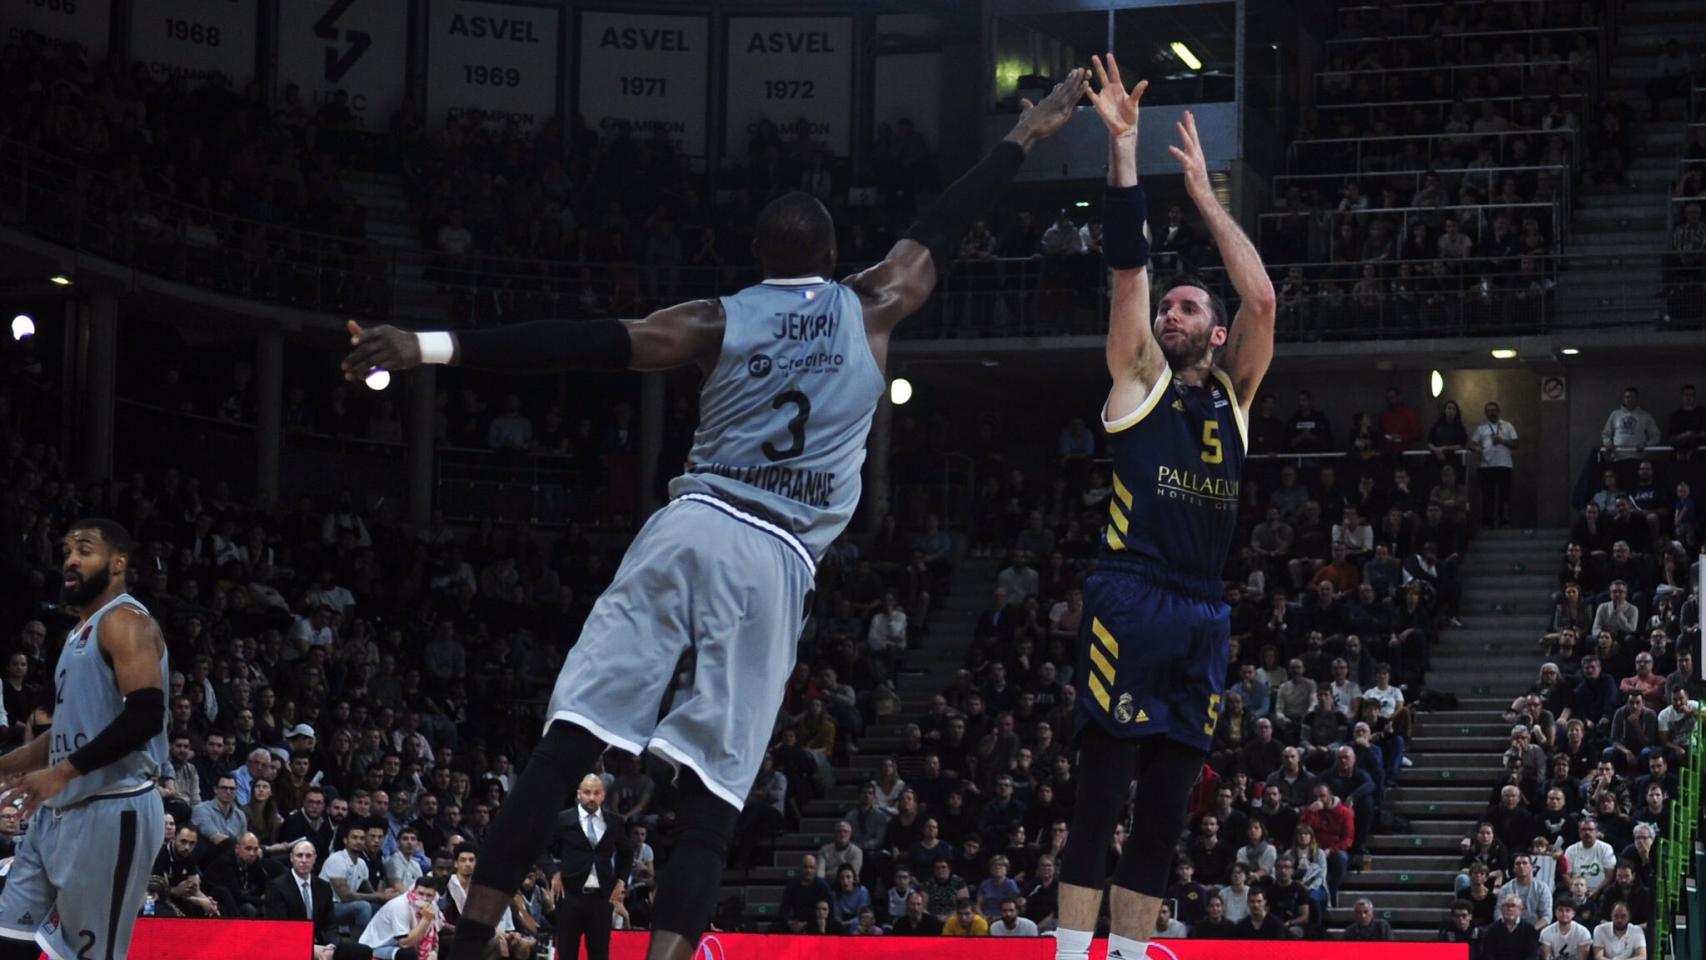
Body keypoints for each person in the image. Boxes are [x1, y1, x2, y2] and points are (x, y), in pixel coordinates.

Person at [341, 67, 1089, 960]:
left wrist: (430, 345)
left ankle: (466, 945)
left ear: (759, 256)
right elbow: (947, 222)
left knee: (570, 740)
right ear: (833, 251)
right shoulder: (875, 304)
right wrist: (1025, 136)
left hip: (691, 526)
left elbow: (579, 341)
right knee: (711, 793)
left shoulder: (711, 318)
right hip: (775, 562)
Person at [1051, 54, 1275, 960]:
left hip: (1204, 609)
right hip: (1133, 592)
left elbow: (1260, 295)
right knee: (1102, 789)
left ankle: (1137, 950)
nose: (1171, 314)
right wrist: (1124, 155)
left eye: (1188, 308)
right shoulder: (1139, 379)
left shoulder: (1236, 393)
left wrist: (1205, 195)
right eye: (1169, 308)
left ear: (1214, 335)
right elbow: (1128, 274)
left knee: (1169, 805)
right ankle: (1071, 954)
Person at [0, 519, 169, 960]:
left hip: (112, 809)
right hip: (56, 814)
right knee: (6, 941)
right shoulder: (78, 633)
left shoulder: (126, 622)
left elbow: (146, 715)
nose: (70, 559)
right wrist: (6, 766)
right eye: (67, 550)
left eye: (85, 549)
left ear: (118, 563)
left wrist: (62, 773)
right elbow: (68, 732)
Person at [549, 774, 633, 960]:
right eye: (587, 792)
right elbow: (542, 850)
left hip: (602, 899)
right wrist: (553, 872)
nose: (592, 797)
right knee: (567, 953)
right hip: (570, 895)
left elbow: (627, 853)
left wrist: (621, 880)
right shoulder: (563, 819)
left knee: (600, 954)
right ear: (579, 794)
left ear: (603, 795)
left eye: (596, 793)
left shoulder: (614, 821)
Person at [263, 840, 346, 960]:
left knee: (358, 951)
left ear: (314, 859)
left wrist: (331, 947)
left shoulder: (323, 887)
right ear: (291, 858)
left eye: (308, 856)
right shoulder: (277, 887)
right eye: (299, 855)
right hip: (290, 946)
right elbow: (279, 928)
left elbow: (331, 923)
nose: (304, 860)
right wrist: (309, 948)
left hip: (321, 945)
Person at [359, 876, 442, 960]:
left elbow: (436, 935)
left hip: (399, 944)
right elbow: (404, 943)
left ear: (434, 896)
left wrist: (434, 952)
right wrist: (425, 920)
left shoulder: (432, 905)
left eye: (429, 895)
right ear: (414, 891)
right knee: (408, 954)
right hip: (375, 947)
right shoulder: (400, 905)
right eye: (420, 894)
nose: (424, 899)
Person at [1473, 402, 1519, 528]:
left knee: (1504, 495)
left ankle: (1504, 521)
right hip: (1486, 466)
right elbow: (1472, 444)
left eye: (1494, 410)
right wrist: (1476, 448)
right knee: (1488, 496)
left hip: (1504, 465)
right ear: (1485, 413)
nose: (1491, 412)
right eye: (1488, 410)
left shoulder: (1507, 425)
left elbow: (1516, 444)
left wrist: (1502, 441)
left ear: (1498, 412)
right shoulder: (1481, 428)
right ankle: (1487, 522)